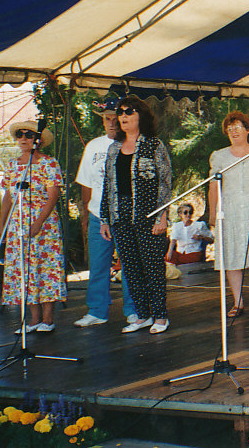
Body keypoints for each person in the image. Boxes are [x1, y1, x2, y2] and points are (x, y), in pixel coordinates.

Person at [100, 96, 173, 334]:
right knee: (131, 268)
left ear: (141, 115)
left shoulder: (154, 145)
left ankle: (160, 316)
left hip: (147, 214)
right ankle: (143, 315)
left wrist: (162, 216)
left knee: (153, 267)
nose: (123, 116)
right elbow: (108, 185)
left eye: (129, 111)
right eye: (120, 112)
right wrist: (105, 219)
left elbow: (165, 182)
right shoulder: (113, 149)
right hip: (120, 215)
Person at [0, 120, 66, 333]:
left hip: (44, 224)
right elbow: (8, 197)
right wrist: (2, 226)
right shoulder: (12, 165)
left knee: (45, 268)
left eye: (28, 134)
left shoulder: (49, 163)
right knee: (24, 270)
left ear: (38, 140)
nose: (23, 138)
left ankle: (48, 319)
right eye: (20, 134)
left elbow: (53, 196)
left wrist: (38, 223)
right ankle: (33, 320)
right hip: (18, 223)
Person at [74, 98, 138, 327]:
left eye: (115, 118)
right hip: (97, 215)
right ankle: (97, 311)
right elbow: (86, 183)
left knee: (129, 264)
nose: (111, 122)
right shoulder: (93, 146)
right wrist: (85, 214)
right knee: (98, 265)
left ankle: (133, 310)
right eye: (107, 118)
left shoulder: (132, 143)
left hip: (125, 214)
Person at [208, 111, 249, 316]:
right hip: (229, 210)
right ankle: (237, 302)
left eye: (238, 127)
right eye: (230, 129)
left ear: (247, 130)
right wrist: (212, 213)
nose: (234, 132)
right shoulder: (219, 155)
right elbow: (213, 186)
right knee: (232, 256)